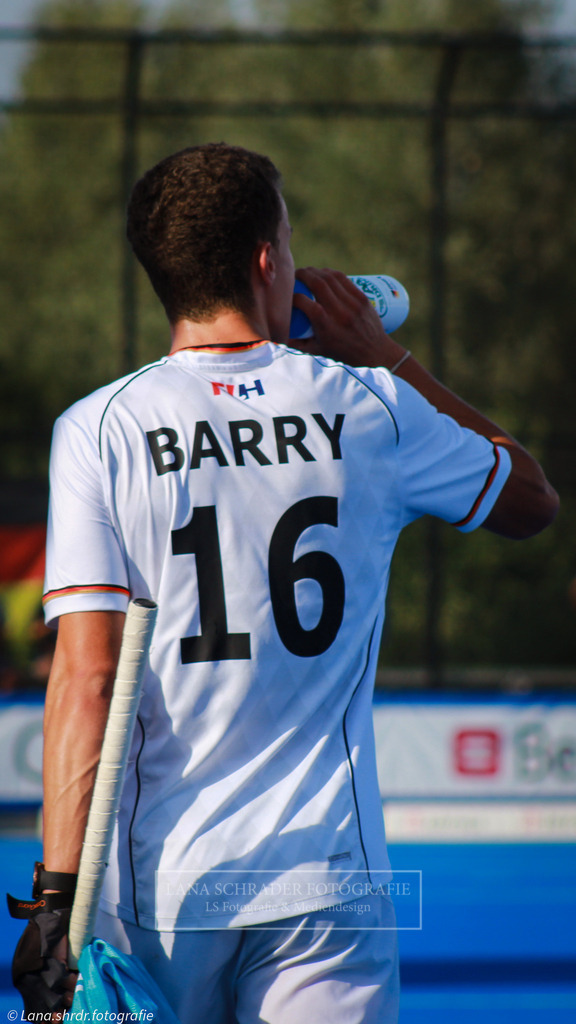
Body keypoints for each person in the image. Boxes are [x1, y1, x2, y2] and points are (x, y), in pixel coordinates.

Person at [10, 142, 558, 1023]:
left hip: (165, 886)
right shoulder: (370, 403)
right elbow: (529, 497)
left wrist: (53, 902)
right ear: (269, 261)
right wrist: (389, 356)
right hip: (326, 877)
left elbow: (87, 679)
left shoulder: (100, 429)